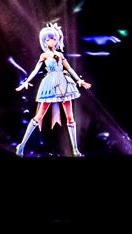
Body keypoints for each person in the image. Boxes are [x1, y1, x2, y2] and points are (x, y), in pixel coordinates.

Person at [15, 21, 91, 157]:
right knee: (39, 116)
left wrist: (79, 80)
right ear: (46, 41)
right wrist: (26, 82)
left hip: (64, 84)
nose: (54, 41)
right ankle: (21, 146)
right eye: (51, 39)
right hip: (50, 84)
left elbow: (69, 68)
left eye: (55, 39)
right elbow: (35, 70)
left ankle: (75, 150)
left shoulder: (60, 55)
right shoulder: (44, 56)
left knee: (70, 117)